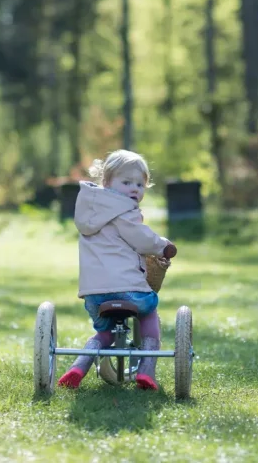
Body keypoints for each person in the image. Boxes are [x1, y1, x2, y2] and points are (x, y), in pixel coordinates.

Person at [56, 149, 178, 391]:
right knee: (149, 310)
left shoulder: (90, 212)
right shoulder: (123, 211)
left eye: (140, 185)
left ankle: (79, 366)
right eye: (126, 182)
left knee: (106, 332)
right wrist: (164, 246)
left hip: (94, 295)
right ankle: (146, 369)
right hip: (129, 290)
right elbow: (142, 240)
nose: (134, 189)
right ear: (107, 183)